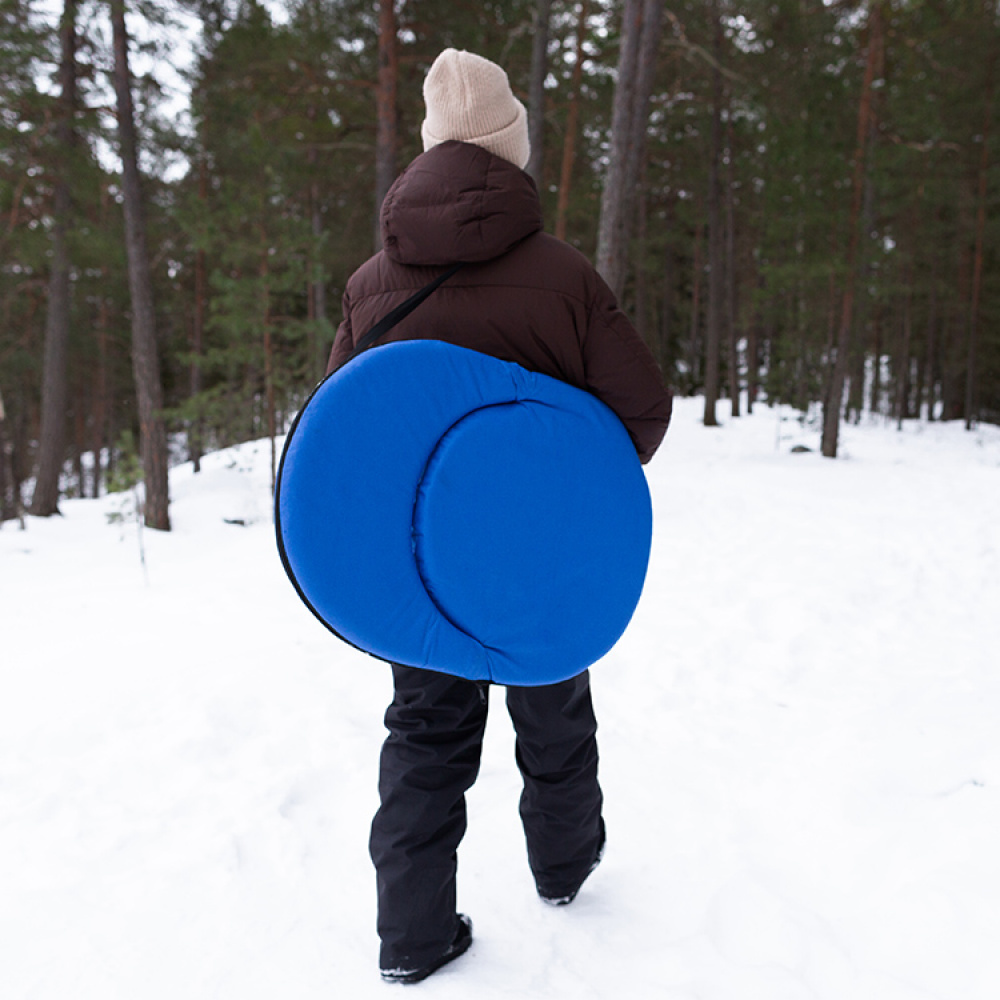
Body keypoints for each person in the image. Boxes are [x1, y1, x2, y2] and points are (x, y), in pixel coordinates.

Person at [327, 48, 672, 984]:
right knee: (554, 700)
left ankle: (411, 939)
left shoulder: (370, 287)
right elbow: (640, 411)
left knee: (426, 730)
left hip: (419, 567)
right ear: (512, 154)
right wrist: (566, 490)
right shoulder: (563, 277)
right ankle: (565, 870)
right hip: (536, 559)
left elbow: (342, 442)